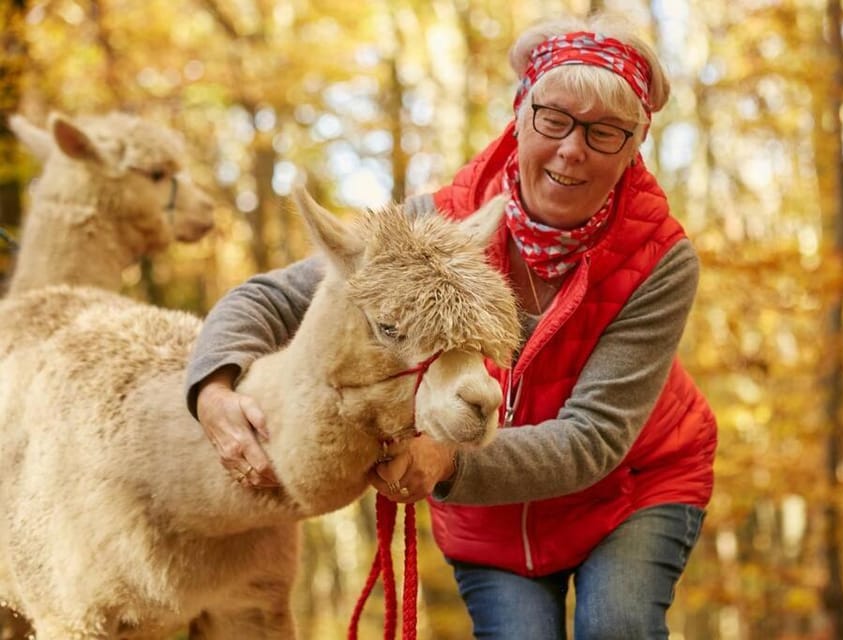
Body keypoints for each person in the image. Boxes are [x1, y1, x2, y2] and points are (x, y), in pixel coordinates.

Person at [186, 10, 717, 639]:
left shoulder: (659, 258)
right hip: (485, 508)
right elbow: (271, 299)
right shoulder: (435, 226)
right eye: (554, 119)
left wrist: (445, 461)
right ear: (521, 117)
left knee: (616, 626)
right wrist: (214, 386)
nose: (572, 148)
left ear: (634, 147)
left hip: (629, 486)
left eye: (606, 132)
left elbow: (594, 438)